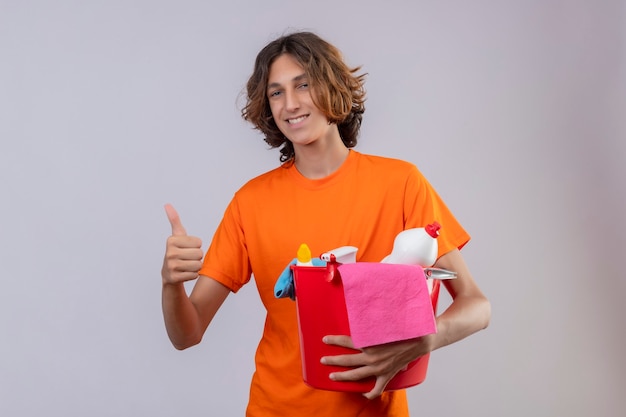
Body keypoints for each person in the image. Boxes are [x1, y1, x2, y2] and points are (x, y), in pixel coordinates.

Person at [161, 31, 491, 417]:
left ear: (333, 87)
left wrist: (420, 341)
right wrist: (171, 284)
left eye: (304, 84)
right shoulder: (250, 202)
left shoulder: (401, 184)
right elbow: (188, 333)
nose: (291, 103)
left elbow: (476, 305)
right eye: (276, 92)